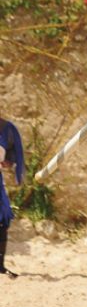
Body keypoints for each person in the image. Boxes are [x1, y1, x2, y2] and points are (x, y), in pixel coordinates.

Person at [0, 117, 24, 278]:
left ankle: (0, 265)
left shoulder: (5, 129)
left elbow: (11, 156)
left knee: (3, 221)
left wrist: (7, 162)